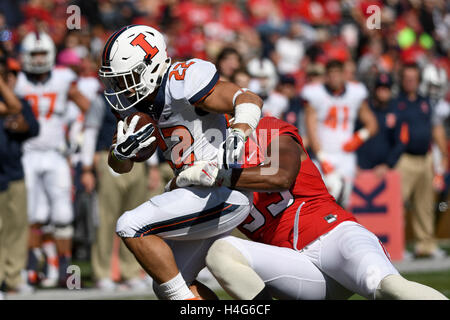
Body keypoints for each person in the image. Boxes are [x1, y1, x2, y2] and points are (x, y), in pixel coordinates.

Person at [174, 116, 447, 300]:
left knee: (390, 288)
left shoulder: (267, 129)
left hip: (334, 236)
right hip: (296, 265)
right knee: (220, 253)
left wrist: (218, 176)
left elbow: (282, 176)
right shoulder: (201, 174)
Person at [98, 25, 263, 300]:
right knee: (167, 283)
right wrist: (120, 153)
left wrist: (238, 133)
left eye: (127, 78)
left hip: (222, 191)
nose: (121, 88)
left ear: (150, 67)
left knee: (130, 225)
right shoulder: (138, 106)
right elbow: (120, 167)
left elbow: (247, 98)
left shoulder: (181, 80)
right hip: (193, 193)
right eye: (116, 81)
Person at [14, 31, 90, 288]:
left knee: (63, 215)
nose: (37, 60)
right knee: (33, 214)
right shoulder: (17, 80)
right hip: (27, 154)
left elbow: (88, 108)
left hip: (57, 154)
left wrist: (83, 138)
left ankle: (64, 272)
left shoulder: (63, 78)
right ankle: (31, 270)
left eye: (41, 54)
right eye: (32, 54)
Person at [80, 94, 151, 291]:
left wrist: (151, 165)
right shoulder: (100, 100)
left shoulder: (141, 98)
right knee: (105, 219)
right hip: (109, 157)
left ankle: (131, 271)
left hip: (138, 162)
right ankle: (102, 272)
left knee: (136, 220)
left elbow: (148, 134)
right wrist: (87, 167)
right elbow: (90, 133)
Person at [302, 59, 378, 208]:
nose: (334, 78)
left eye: (337, 74)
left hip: (345, 156)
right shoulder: (315, 93)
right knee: (324, 200)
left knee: (345, 201)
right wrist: (322, 157)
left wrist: (359, 137)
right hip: (324, 154)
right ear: (326, 76)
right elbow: (311, 129)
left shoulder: (356, 92)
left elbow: (372, 124)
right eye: (331, 74)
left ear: (344, 75)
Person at [393, 63, 448, 259]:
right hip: (404, 159)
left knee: (425, 205)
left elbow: (436, 128)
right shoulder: (396, 102)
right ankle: (395, 246)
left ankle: (425, 244)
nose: (410, 82)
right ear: (402, 80)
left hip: (425, 158)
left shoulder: (425, 102)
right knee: (397, 204)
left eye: (414, 78)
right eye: (407, 78)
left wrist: (444, 153)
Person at [0, 50, 39, 295]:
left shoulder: (20, 102)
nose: (10, 78)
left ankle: (13, 277)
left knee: (15, 228)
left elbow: (31, 127)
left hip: (13, 172)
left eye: (12, 74)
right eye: (6, 74)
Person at [356, 73, 405, 176]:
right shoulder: (365, 109)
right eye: (380, 88)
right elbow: (354, 134)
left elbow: (400, 142)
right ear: (374, 89)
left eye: (386, 88)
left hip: (384, 171)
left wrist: (388, 164)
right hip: (360, 169)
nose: (383, 92)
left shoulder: (396, 112)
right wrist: (354, 162)